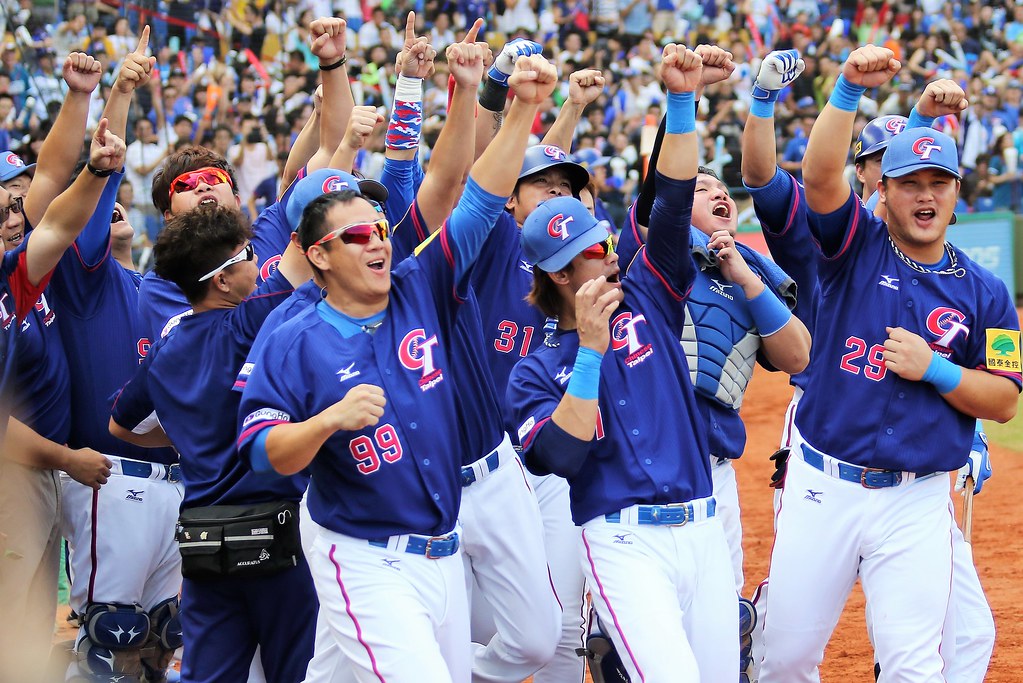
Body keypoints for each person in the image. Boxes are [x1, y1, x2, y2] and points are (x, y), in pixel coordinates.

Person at [235, 51, 556, 681]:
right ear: (318, 255)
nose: (379, 240)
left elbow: (480, 198)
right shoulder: (291, 334)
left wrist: (523, 108)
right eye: (357, 235)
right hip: (363, 552)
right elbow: (263, 450)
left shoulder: (419, 284)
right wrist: (325, 423)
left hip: (440, 547)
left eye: (379, 227)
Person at [760, 45, 1020, 683]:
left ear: (958, 193)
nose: (924, 196)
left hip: (917, 499)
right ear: (885, 191)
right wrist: (847, 89)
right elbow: (820, 179)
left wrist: (937, 369)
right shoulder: (855, 244)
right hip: (825, 486)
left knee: (914, 667)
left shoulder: (990, 292)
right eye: (909, 184)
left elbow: (1006, 399)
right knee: (785, 661)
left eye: (938, 183)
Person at [507, 44, 738, 682]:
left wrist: (684, 100)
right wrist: (589, 351)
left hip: (702, 529)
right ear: (555, 272)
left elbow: (671, 195)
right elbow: (561, 457)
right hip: (623, 542)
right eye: (590, 251)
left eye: (606, 241)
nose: (608, 256)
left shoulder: (650, 291)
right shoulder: (535, 372)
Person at [109, 196, 315, 681]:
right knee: (296, 671)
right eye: (246, 256)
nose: (256, 263)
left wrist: (183, 436)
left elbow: (119, 425)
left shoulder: (167, 345)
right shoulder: (248, 322)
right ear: (222, 280)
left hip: (202, 541)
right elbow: (304, 246)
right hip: (276, 535)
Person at [0, 116, 125, 683]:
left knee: (28, 630)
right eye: (1, 209)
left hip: (37, 478)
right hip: (18, 475)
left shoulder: (13, 278)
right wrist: (66, 459)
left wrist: (99, 170)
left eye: (13, 208)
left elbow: (54, 224)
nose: (12, 219)